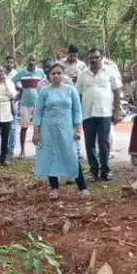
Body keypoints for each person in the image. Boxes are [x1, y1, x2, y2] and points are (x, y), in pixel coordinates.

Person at [33, 63, 88, 200]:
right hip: (48, 128)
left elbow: (77, 110)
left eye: (59, 73)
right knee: (51, 156)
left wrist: (78, 129)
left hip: (66, 129)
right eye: (53, 74)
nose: (56, 76)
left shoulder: (70, 90)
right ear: (49, 75)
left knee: (72, 156)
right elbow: (38, 112)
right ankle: (54, 188)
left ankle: (82, 188)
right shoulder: (44, 92)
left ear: (63, 75)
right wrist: (36, 132)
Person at [76, 47, 123, 181]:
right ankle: (93, 171)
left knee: (104, 142)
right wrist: (77, 114)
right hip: (87, 113)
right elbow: (78, 94)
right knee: (89, 143)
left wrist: (116, 112)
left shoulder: (109, 71)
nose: (94, 60)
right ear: (88, 59)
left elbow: (116, 91)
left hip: (104, 113)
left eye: (97, 57)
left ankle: (105, 170)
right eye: (91, 58)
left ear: (101, 57)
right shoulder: (82, 74)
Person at [13, 53, 46, 159]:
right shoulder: (22, 72)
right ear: (26, 61)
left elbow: (46, 83)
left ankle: (39, 151)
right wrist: (19, 89)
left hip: (38, 103)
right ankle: (22, 151)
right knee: (24, 127)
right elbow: (12, 81)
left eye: (33, 60)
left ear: (36, 61)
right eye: (29, 60)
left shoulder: (40, 72)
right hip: (25, 104)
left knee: (39, 127)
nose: (31, 62)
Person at [4, 55, 19, 157]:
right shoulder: (1, 73)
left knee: (13, 127)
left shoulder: (16, 75)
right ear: (5, 62)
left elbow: (19, 90)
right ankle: (4, 148)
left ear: (13, 64)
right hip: (2, 104)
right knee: (4, 127)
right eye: (8, 62)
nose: (9, 64)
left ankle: (11, 149)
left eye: (11, 62)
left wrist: (14, 101)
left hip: (13, 104)